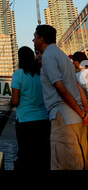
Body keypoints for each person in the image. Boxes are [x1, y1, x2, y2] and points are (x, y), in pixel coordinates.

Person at [33, 24, 88, 170]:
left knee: (64, 163)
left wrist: (83, 114)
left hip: (63, 118)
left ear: (42, 39)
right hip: (76, 117)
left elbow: (61, 89)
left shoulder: (48, 56)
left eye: (35, 37)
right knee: (80, 161)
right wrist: (84, 112)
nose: (33, 40)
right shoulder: (63, 56)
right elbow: (76, 86)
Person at [10, 46, 50, 171]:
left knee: (26, 155)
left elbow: (15, 101)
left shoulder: (18, 75)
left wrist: (9, 103)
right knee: (42, 155)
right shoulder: (41, 74)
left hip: (25, 121)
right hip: (43, 119)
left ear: (20, 58)